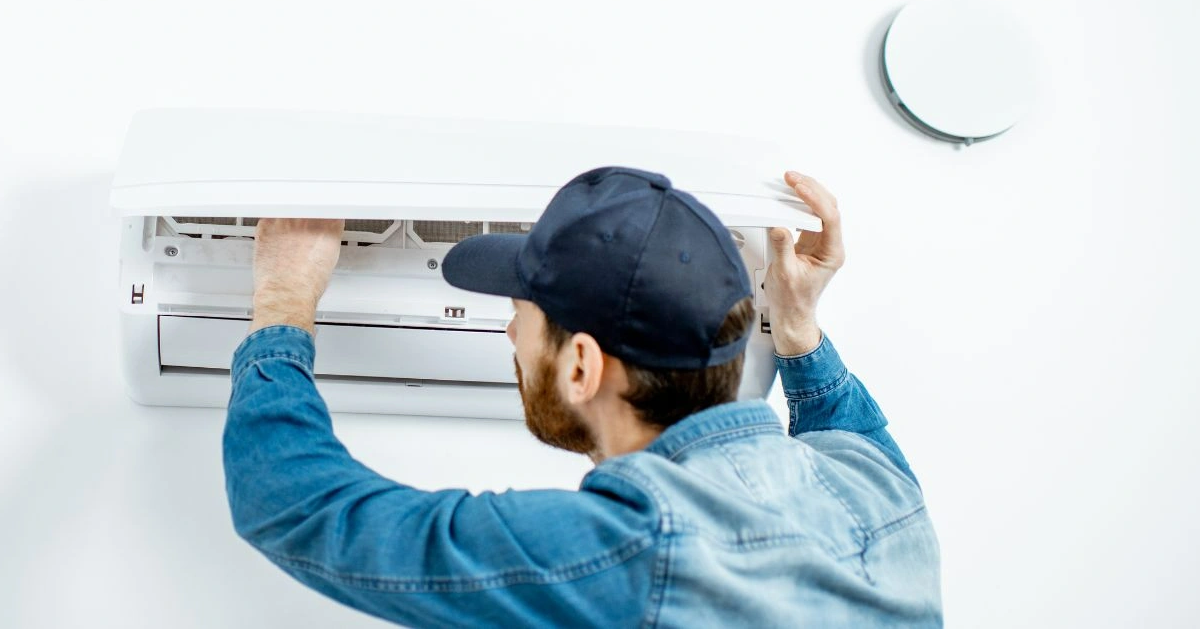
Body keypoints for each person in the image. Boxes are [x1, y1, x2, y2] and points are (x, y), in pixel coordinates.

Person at [222, 167, 941, 627]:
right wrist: (798, 326)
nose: (509, 331)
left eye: (524, 315)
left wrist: (284, 300)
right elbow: (842, 429)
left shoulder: (629, 555)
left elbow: (299, 509)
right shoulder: (873, 483)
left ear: (581, 367)